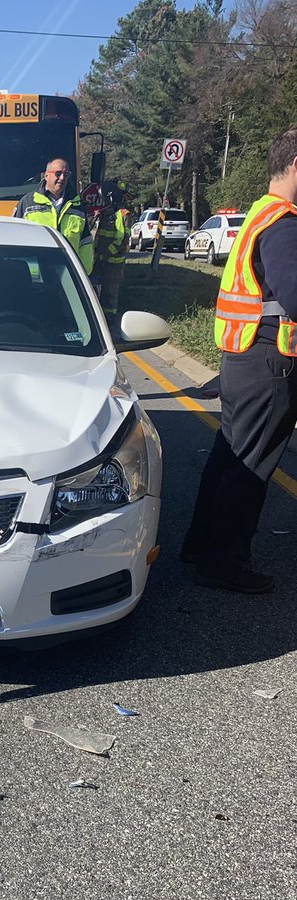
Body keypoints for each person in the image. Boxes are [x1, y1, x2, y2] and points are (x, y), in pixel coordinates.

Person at [181, 127, 297, 593]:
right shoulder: (284, 223)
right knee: (250, 468)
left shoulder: (259, 214)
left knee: (229, 457)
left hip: (243, 358)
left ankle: (201, 545)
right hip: (269, 363)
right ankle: (224, 563)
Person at [13, 158, 94, 274]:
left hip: (68, 275)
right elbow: (14, 238)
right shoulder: (28, 202)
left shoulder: (77, 205)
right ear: (46, 175)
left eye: (66, 174)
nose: (62, 178)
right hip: (34, 274)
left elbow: (85, 243)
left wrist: (84, 274)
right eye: (58, 173)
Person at [92, 180, 132, 321]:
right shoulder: (105, 213)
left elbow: (122, 239)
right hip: (100, 260)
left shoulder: (123, 215)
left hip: (114, 263)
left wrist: (106, 253)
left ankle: (109, 319)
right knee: (95, 289)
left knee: (110, 292)